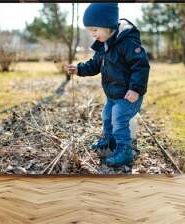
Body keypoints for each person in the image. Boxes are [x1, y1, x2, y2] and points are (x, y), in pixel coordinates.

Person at [64, 3, 150, 167]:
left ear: (108, 25)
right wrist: (79, 69)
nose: (92, 34)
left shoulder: (128, 43)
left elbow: (141, 66)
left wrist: (135, 89)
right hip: (112, 95)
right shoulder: (103, 46)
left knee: (118, 118)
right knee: (107, 117)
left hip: (128, 95)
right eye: (90, 30)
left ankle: (124, 151)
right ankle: (109, 142)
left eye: (95, 29)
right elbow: (94, 65)